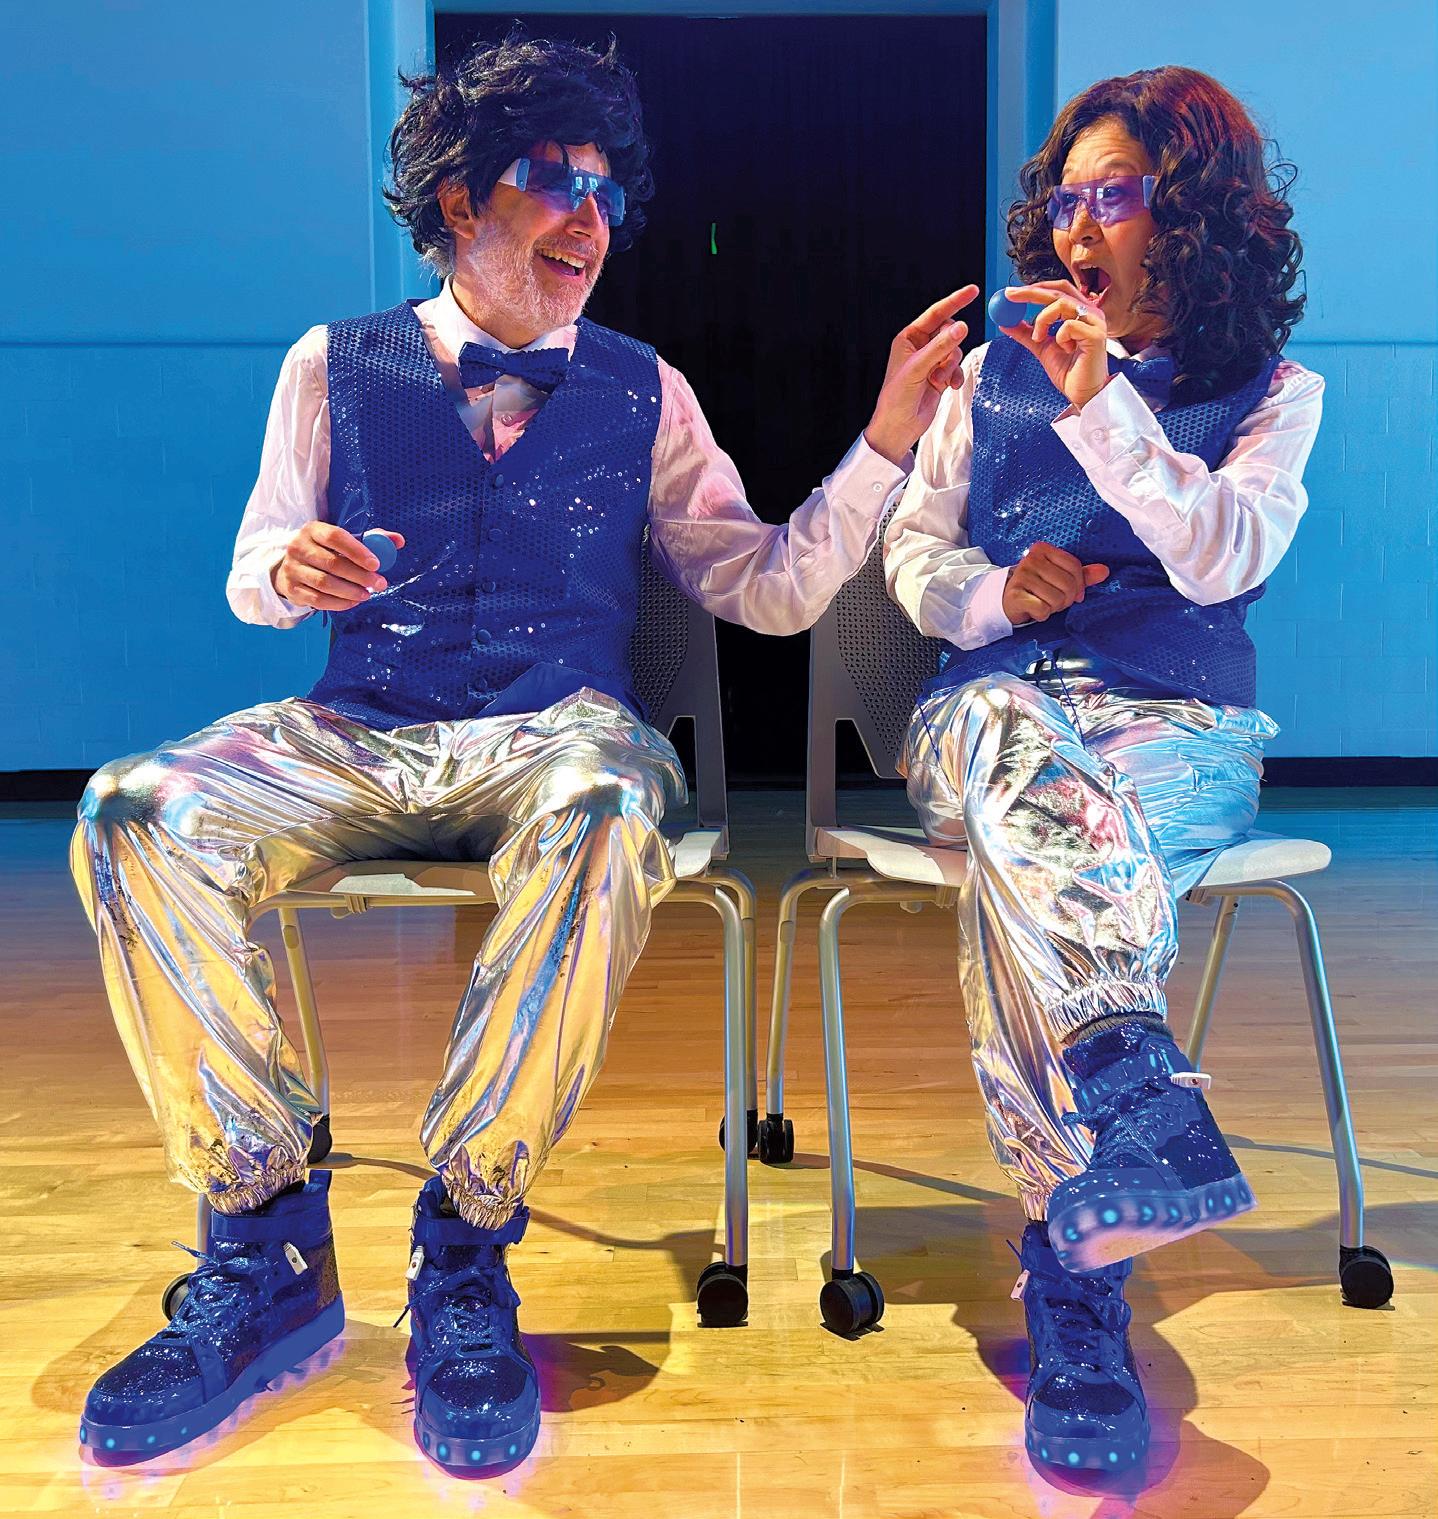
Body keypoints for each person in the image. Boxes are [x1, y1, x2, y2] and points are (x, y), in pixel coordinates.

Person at [71, 30, 975, 1472]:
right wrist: (288, 571)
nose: (589, 220)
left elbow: (766, 588)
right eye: (554, 182)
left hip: (555, 733)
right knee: (134, 810)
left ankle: (466, 1236)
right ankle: (261, 1237)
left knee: (612, 803)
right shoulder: (331, 361)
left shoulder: (645, 387)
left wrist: (881, 444)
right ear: (456, 200)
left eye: (606, 193)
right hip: (362, 726)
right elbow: (254, 566)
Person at [883, 65, 1320, 1472]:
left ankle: (1073, 1263)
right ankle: (1130, 1094)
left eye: (1114, 195)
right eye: (1065, 199)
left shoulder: (1275, 392)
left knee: (1034, 879)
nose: (1078, 227)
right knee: (1015, 753)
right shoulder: (983, 375)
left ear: (1190, 213)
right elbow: (912, 553)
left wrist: (1106, 413)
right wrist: (990, 595)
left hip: (1176, 724)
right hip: (992, 707)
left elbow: (1225, 556)